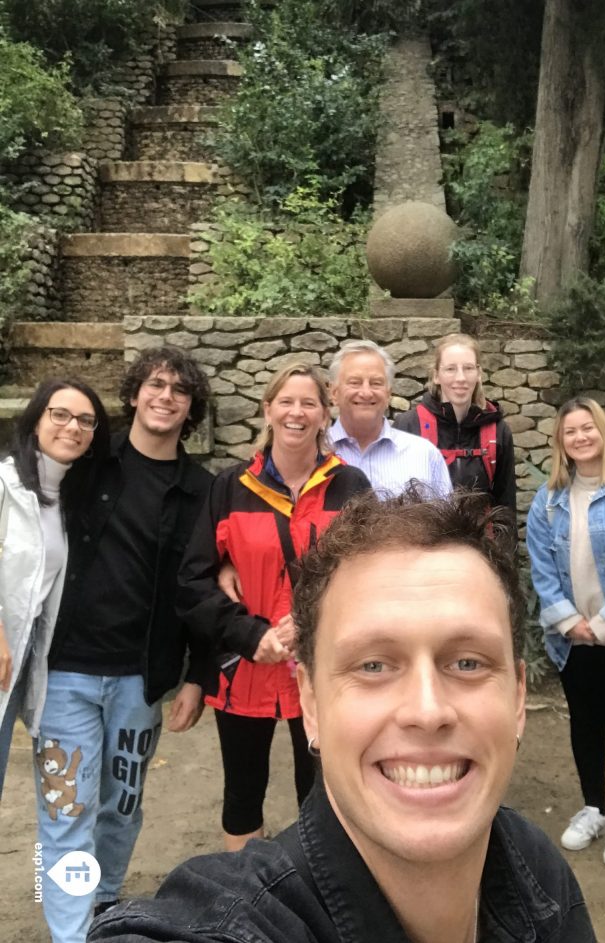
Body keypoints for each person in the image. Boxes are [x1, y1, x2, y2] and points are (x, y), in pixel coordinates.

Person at [90, 490, 596, 943]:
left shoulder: (534, 867)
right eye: (373, 666)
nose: (427, 711)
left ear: (517, 697)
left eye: (468, 663)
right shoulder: (237, 923)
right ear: (310, 704)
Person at [37, 346, 213, 943]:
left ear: (191, 408)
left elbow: (202, 590)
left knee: (122, 804)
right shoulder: (86, 462)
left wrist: (199, 676)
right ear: (134, 394)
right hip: (65, 672)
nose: (166, 396)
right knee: (66, 809)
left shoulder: (201, 490)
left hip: (142, 679)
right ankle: (71, 934)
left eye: (180, 390)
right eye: (155, 384)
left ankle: (104, 903)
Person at [178, 362, 371, 852]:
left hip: (324, 667)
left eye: (308, 403)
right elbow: (194, 581)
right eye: (286, 401)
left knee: (324, 791)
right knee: (243, 792)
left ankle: (319, 885)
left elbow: (370, 575)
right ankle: (249, 890)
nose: (296, 413)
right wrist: (250, 636)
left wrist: (311, 623)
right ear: (268, 410)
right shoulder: (231, 487)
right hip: (245, 669)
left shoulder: (351, 486)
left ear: (325, 416)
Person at [526, 397, 605, 868]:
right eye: (570, 431)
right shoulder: (549, 500)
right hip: (573, 639)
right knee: (586, 723)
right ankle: (595, 808)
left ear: (603, 431)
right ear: (560, 441)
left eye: (587, 428)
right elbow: (542, 569)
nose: (580, 437)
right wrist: (570, 623)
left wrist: (603, 625)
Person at [0, 378, 110, 799]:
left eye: (85, 420)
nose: (72, 427)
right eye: (60, 414)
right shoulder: (5, 484)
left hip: (20, 661)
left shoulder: (63, 499)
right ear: (35, 421)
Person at [393, 332, 517, 526]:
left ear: (478, 374)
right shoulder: (408, 426)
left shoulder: (497, 431)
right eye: (450, 369)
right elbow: (394, 502)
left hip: (479, 542)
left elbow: (505, 507)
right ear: (436, 375)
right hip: (424, 540)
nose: (461, 378)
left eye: (468, 368)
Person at [328, 339, 453, 498]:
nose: (366, 392)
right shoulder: (312, 454)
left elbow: (446, 514)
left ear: (388, 394)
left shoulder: (424, 455)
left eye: (376, 383)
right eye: (355, 382)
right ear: (334, 393)